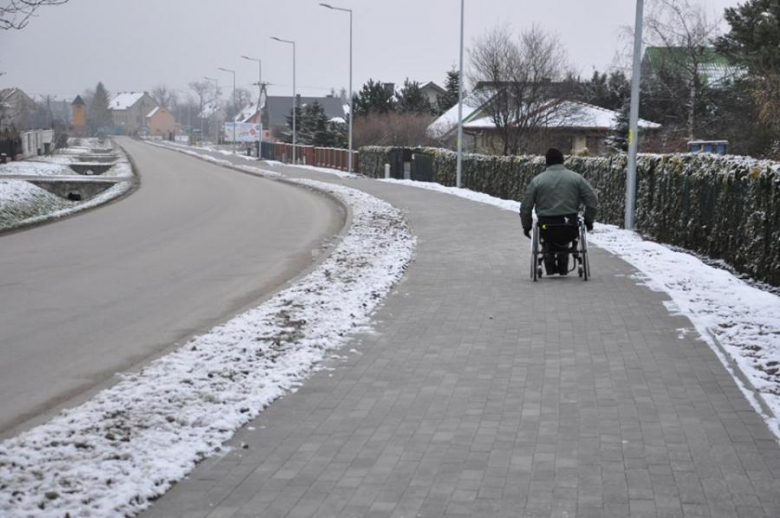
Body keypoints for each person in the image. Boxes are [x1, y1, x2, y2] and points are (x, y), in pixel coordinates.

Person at [520, 148, 598, 275]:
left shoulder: (538, 181)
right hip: (569, 226)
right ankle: (563, 265)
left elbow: (526, 207)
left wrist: (526, 225)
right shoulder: (576, 178)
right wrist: (589, 220)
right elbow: (592, 200)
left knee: (548, 238)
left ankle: (548, 263)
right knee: (565, 237)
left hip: (546, 227)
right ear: (562, 161)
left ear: (546, 162)